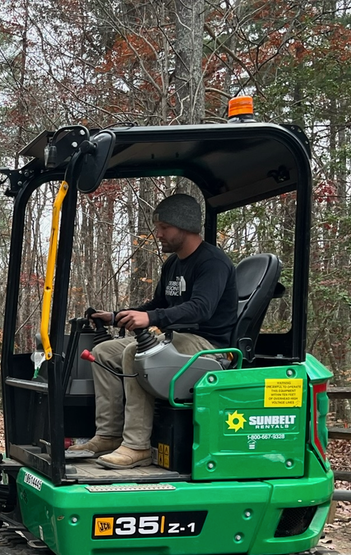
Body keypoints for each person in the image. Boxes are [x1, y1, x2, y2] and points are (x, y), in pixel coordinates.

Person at [69, 193, 238, 469]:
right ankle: (109, 436)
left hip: (209, 347)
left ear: (183, 226)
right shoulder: (173, 264)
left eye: (163, 227)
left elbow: (201, 309)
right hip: (174, 341)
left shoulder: (213, 262)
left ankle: (136, 446)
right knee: (103, 353)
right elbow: (158, 305)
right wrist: (115, 316)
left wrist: (150, 318)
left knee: (137, 352)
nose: (157, 233)